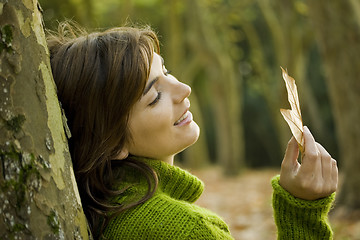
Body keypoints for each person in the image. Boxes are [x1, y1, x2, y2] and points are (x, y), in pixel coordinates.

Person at [47, 22, 338, 240]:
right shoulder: (187, 232)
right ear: (111, 143)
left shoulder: (107, 215)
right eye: (155, 96)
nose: (184, 89)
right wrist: (302, 213)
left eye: (166, 72)